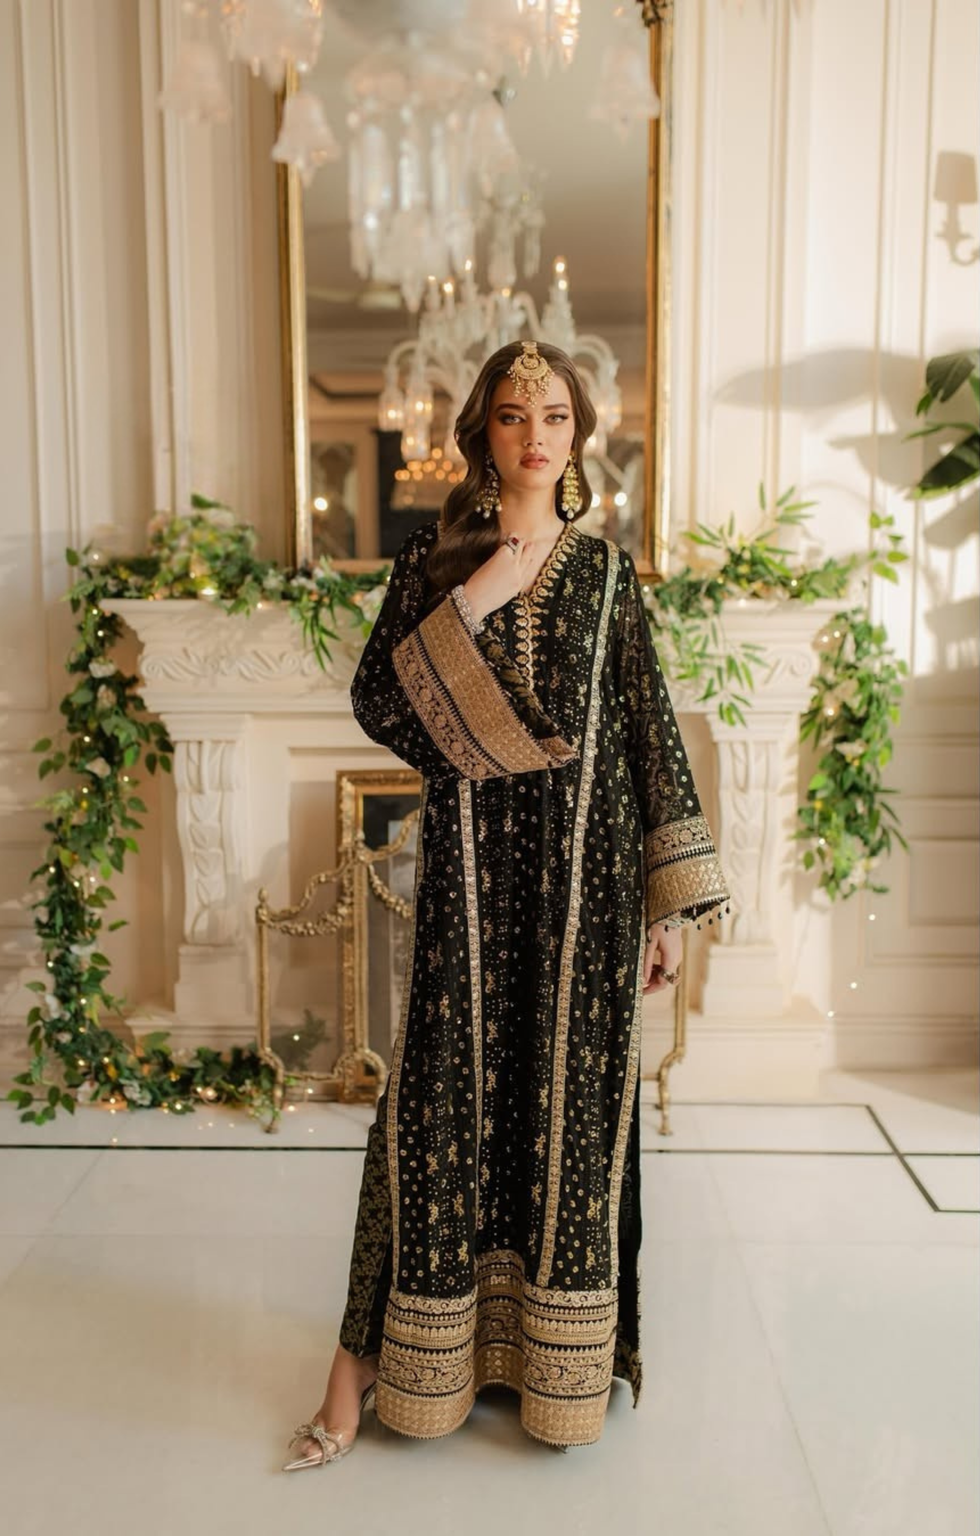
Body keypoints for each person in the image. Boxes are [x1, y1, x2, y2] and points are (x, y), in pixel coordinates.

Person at [283, 340, 729, 1469]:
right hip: (470, 888)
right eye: (515, 415)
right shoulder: (435, 561)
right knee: (434, 1105)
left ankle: (550, 1370)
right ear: (482, 431)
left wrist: (664, 911)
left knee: (568, 1110)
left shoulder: (607, 575)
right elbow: (380, 702)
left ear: (580, 437)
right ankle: (380, 1365)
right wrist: (475, 597)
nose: (537, 435)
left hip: (586, 892)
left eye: (557, 417)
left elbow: (646, 733)